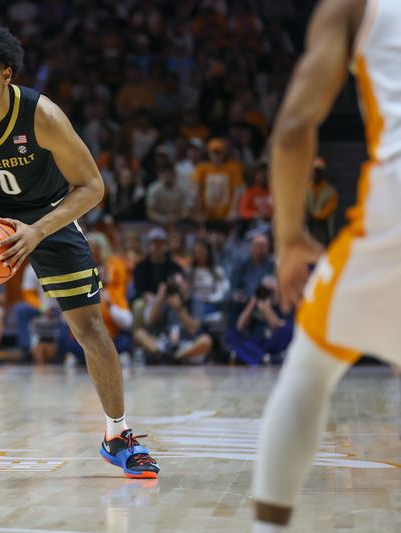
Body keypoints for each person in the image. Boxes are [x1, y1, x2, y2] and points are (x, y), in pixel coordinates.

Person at [0, 23, 159, 488]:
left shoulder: (42, 115)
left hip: (48, 214)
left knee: (89, 327)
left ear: (7, 74)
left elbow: (92, 187)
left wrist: (38, 230)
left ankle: (117, 435)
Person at [253, 0, 396, 530]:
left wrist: (289, 238)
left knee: (310, 367)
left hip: (392, 225)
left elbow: (292, 126)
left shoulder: (352, 7)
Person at [133, 272, 213, 364]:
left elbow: (193, 329)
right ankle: (164, 355)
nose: (176, 290)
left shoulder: (194, 302)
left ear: (186, 284)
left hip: (186, 344)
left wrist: (179, 309)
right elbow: (151, 321)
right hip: (163, 343)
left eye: (178, 285)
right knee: (139, 333)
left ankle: (177, 357)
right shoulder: (166, 300)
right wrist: (159, 299)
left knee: (206, 341)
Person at [225, 275, 292, 366]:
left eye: (270, 290)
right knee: (232, 335)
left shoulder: (280, 304)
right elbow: (240, 327)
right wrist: (252, 304)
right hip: (255, 341)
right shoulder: (252, 303)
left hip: (271, 341)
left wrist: (267, 310)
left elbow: (278, 326)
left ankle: (257, 358)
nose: (267, 293)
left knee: (288, 330)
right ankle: (265, 359)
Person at [193, 138, 244, 222]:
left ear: (224, 153)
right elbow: (197, 190)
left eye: (219, 152)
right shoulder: (202, 168)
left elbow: (238, 190)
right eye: (213, 152)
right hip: (207, 214)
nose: (216, 155)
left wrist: (234, 210)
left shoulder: (233, 167)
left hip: (227, 215)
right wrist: (199, 211)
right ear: (209, 153)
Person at [305, 157, 338, 245]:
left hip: (323, 228)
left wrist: (314, 215)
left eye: (319, 171)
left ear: (323, 173)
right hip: (308, 226)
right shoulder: (306, 189)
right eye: (314, 171)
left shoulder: (330, 191)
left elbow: (328, 210)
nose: (316, 174)